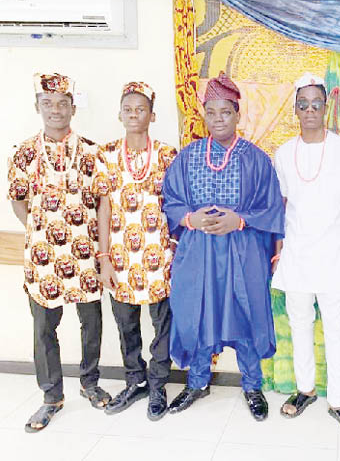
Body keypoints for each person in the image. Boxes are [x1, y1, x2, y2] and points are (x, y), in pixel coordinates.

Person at [162, 72, 284, 421]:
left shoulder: (257, 159)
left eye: (225, 112)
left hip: (243, 251)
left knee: (245, 315)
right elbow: (170, 200)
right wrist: (190, 219)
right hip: (199, 253)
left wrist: (240, 220)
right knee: (198, 314)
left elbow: (271, 206)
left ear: (237, 114)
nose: (218, 119)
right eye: (211, 112)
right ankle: (197, 382)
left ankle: (252, 385)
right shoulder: (187, 157)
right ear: (203, 114)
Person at [8, 73, 111, 432]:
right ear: (37, 107)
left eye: (63, 103)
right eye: (48, 103)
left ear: (73, 107)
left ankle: (90, 382)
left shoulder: (92, 152)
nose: (56, 110)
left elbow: (102, 202)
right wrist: (40, 231)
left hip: (85, 255)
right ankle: (51, 396)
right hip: (42, 257)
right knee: (43, 329)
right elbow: (18, 202)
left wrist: (99, 251)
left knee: (91, 322)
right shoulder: (23, 152)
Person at [271, 73, 340, 435]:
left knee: (335, 330)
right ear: (295, 109)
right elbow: (280, 204)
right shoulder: (283, 152)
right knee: (299, 325)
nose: (310, 110)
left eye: (316, 104)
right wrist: (279, 249)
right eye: (303, 104)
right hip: (295, 253)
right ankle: (305, 389)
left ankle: (338, 401)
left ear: (326, 108)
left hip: (335, 252)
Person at [94, 81, 177, 421]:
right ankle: (135, 381)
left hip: (161, 259)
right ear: (119, 114)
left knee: (163, 326)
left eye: (140, 108)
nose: (133, 114)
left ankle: (158, 385)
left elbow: (177, 204)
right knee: (126, 326)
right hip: (121, 260)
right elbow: (103, 208)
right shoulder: (106, 155)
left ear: (152, 115)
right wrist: (103, 259)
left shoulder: (168, 155)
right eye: (127, 108)